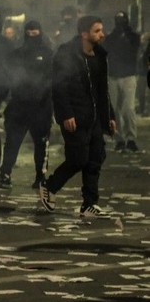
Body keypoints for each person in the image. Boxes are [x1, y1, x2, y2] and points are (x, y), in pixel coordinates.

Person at [40, 16, 116, 217]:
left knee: (96, 158)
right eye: (97, 31)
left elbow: (102, 90)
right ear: (84, 34)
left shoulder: (99, 55)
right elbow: (59, 86)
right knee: (78, 159)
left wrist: (110, 116)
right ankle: (50, 186)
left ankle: (89, 203)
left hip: (94, 118)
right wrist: (66, 113)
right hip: (75, 116)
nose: (102, 34)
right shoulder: (67, 54)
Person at [0, 20, 54, 189]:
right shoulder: (16, 55)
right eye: (30, 32)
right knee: (13, 142)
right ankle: (6, 173)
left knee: (40, 144)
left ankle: (40, 176)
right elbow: (5, 80)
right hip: (20, 106)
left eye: (35, 32)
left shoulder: (48, 54)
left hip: (40, 107)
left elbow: (53, 80)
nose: (32, 36)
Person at [103, 11, 141, 153]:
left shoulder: (132, 36)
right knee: (115, 110)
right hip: (114, 75)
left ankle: (130, 138)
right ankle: (119, 139)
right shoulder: (111, 37)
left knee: (128, 108)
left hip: (128, 75)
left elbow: (133, 50)